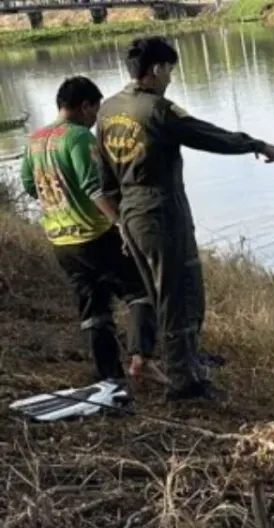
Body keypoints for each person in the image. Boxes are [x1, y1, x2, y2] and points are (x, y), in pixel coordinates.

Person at [94, 35, 274, 402]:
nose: (170, 78)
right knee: (179, 295)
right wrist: (254, 143)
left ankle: (183, 363)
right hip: (162, 212)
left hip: (132, 214)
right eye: (169, 70)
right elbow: (205, 135)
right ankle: (185, 382)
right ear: (156, 69)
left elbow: (104, 177)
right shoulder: (157, 110)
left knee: (159, 292)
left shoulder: (107, 110)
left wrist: (121, 221)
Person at [19, 75, 158, 386]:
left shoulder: (35, 141)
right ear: (85, 107)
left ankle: (109, 377)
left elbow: (30, 185)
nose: (95, 121)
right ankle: (141, 358)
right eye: (95, 113)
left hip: (60, 241)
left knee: (93, 306)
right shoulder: (79, 137)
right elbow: (94, 188)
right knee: (141, 290)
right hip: (93, 235)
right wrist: (121, 223)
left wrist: (59, 202)